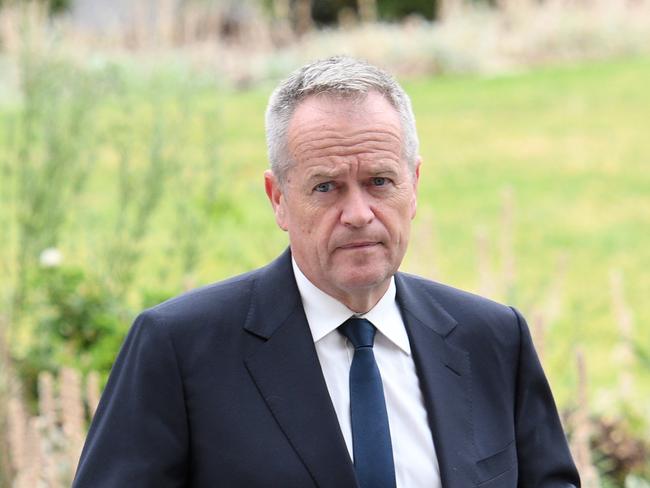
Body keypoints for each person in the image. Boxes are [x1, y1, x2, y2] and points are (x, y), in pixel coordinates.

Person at [73, 56, 580, 488]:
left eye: (380, 181)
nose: (359, 213)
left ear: (415, 185)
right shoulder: (179, 349)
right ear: (279, 200)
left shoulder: (492, 339)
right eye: (326, 187)